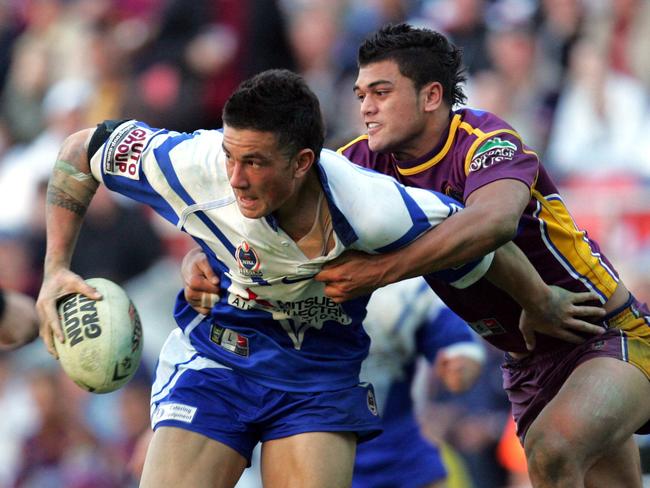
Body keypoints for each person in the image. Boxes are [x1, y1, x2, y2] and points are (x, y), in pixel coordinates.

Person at [35, 69, 600, 488]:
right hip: (217, 357)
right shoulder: (188, 162)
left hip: (317, 372)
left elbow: (481, 236)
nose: (235, 177)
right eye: (231, 155)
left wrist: (542, 299)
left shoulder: (372, 205)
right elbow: (79, 152)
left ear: (304, 162)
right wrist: (55, 271)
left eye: (255, 162)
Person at [315, 23, 650, 487]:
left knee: (553, 450)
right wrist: (203, 263)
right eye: (360, 95)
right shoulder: (359, 162)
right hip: (526, 360)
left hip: (603, 333)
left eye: (381, 92)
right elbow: (284, 215)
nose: (366, 108)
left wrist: (379, 271)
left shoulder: (486, 139)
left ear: (432, 96)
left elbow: (493, 224)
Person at [182, 249, 484, 488]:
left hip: (402, 459)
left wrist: (460, 368)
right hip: (304, 451)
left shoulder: (407, 291)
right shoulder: (271, 271)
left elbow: (459, 351)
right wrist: (194, 265)